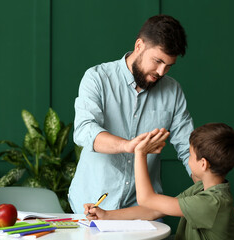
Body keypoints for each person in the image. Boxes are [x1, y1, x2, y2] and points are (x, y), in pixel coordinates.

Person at [69, 14, 194, 213]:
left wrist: (213, 197)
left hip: (143, 210)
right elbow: (84, 131)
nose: (162, 72)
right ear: (139, 46)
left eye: (169, 66)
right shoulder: (97, 78)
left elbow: (189, 150)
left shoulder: (173, 91)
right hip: (93, 204)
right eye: (157, 61)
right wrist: (128, 146)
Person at [85, 123, 234, 240]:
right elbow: (154, 210)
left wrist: (140, 153)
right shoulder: (202, 189)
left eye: (189, 154)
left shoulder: (210, 202)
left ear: (203, 164)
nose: (187, 158)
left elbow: (146, 199)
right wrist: (105, 215)